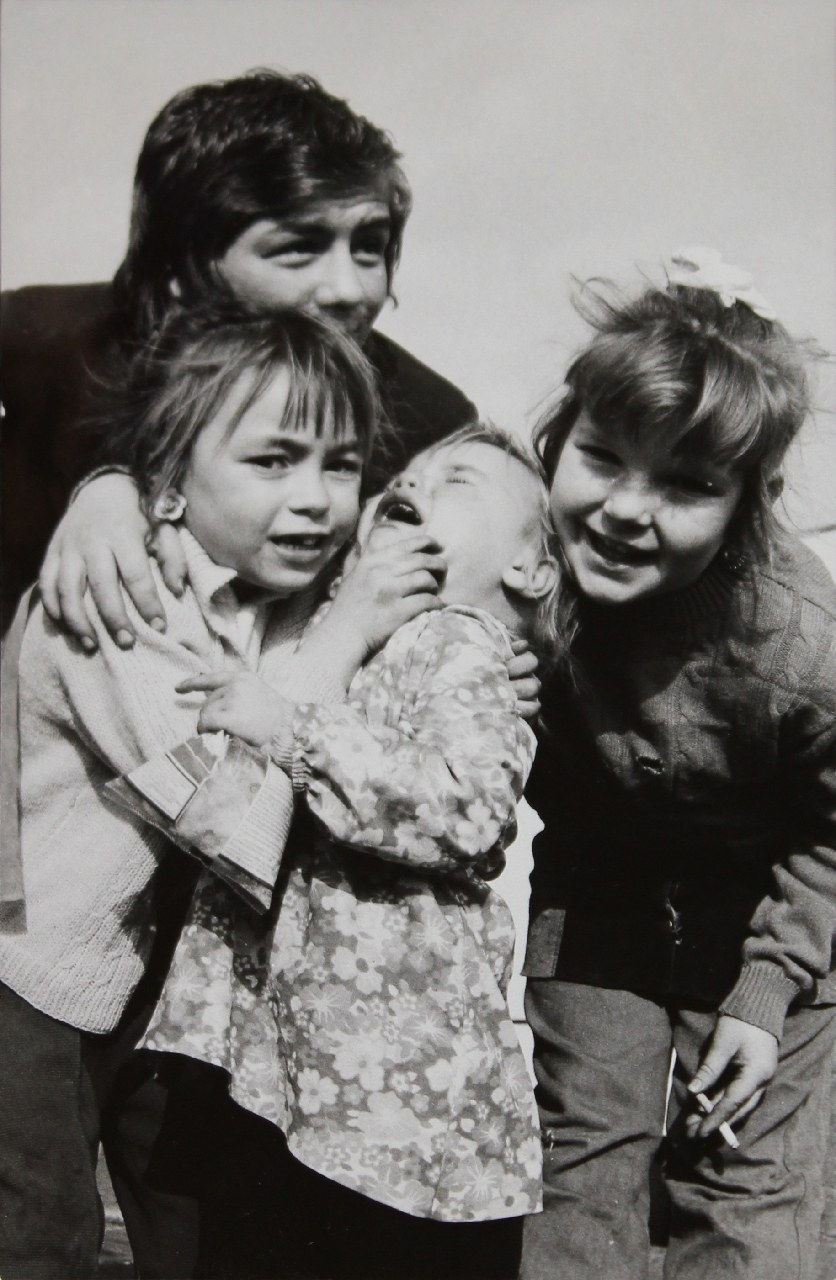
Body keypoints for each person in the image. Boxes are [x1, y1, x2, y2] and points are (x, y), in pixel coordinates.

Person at [0, 308, 448, 1280]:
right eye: (273, 459)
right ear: (165, 481)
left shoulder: (259, 590)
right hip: (22, 974)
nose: (317, 499)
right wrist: (354, 620)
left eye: (338, 464)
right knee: (37, 1236)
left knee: (203, 1230)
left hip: (138, 981)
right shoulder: (115, 601)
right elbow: (234, 819)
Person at [116, 422, 557, 1280]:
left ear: (529, 568)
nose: (418, 483)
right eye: (412, 473)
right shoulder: (334, 629)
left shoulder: (460, 643)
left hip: (391, 1076)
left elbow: (462, 809)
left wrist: (291, 727)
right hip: (299, 1062)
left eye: (459, 481)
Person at [520, 248, 836, 1280]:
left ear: (746, 501)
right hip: (602, 885)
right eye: (602, 456)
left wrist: (762, 992)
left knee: (749, 1197)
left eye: (687, 485)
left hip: (773, 908)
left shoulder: (800, 641)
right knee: (576, 1176)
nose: (624, 509)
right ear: (556, 437)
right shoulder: (509, 570)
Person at [0, 68, 476, 636]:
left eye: (370, 247)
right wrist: (107, 485)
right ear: (182, 267)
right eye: (298, 248)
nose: (350, 289)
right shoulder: (50, 339)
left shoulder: (427, 424)